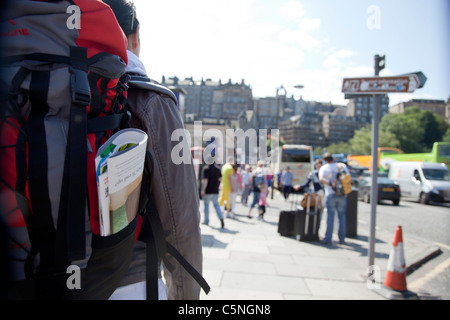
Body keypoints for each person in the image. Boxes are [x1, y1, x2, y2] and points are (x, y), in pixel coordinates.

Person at [104, 0, 202, 300]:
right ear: (135, 36)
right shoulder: (152, 100)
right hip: (128, 281)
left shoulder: (32, 87)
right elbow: (181, 218)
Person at [318, 152, 350, 245]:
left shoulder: (324, 168)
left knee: (330, 216)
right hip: (342, 194)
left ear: (325, 160)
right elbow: (348, 178)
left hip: (330, 193)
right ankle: (342, 239)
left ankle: (328, 238)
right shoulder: (342, 166)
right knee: (342, 216)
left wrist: (331, 185)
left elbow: (321, 179)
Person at [201, 158, 224, 229]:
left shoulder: (206, 169)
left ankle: (206, 220)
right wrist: (217, 185)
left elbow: (205, 180)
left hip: (208, 191)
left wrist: (203, 190)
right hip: (215, 190)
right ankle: (221, 217)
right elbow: (220, 179)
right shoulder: (218, 169)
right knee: (216, 205)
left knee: (206, 206)